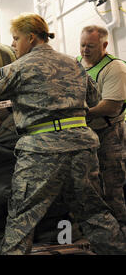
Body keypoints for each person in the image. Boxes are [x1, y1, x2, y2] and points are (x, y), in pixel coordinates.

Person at [0, 13, 126, 254]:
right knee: (94, 212)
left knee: (22, 219)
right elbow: (93, 101)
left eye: (16, 38)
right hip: (83, 149)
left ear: (30, 38)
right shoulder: (74, 65)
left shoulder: (20, 67)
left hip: (42, 151)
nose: (13, 45)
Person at [77, 25, 126, 227]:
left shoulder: (115, 68)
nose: (84, 50)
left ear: (104, 45)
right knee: (91, 184)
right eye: (82, 45)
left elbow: (112, 106)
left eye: (90, 46)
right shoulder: (77, 63)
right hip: (87, 134)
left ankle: (120, 231)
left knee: (112, 185)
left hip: (110, 134)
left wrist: (79, 112)